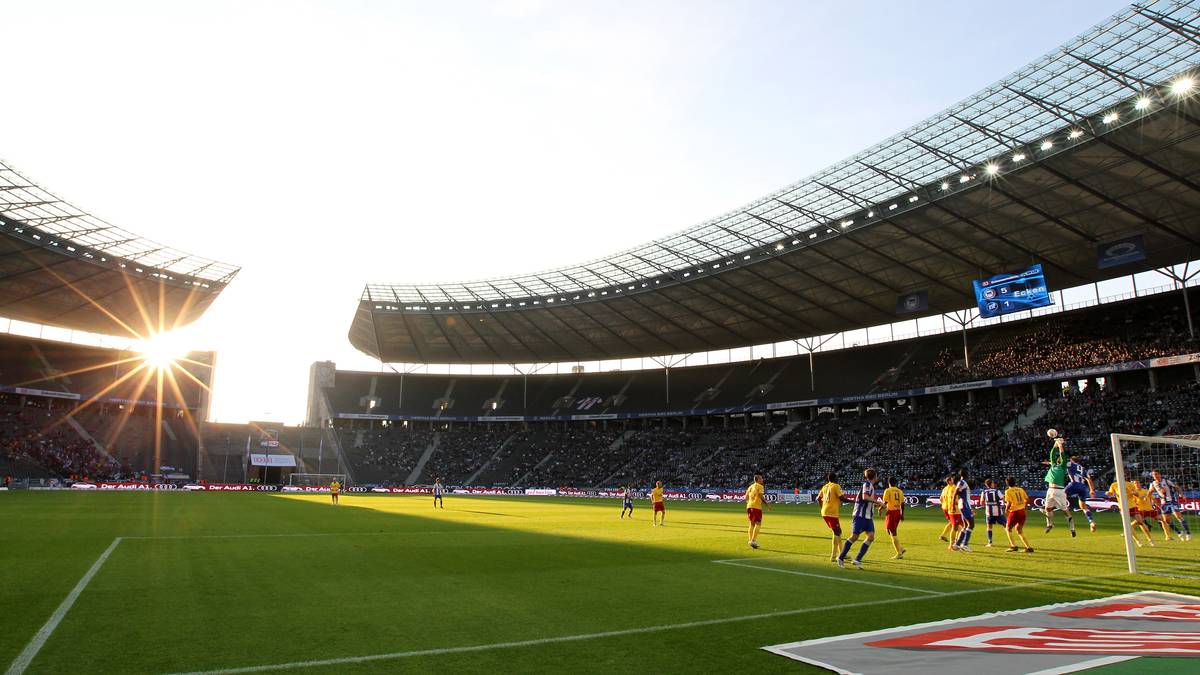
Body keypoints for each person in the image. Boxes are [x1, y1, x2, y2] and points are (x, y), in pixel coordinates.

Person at [836, 468, 881, 569]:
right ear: (875, 476)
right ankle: (840, 557)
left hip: (868, 517)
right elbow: (865, 497)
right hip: (860, 515)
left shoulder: (870, 486)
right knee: (854, 537)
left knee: (871, 536)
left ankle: (857, 559)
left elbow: (866, 500)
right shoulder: (867, 484)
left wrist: (876, 505)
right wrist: (878, 502)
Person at [1041, 435, 1076, 537]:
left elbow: (1062, 455)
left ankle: (1072, 529)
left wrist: (1060, 445)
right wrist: (1055, 444)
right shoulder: (1053, 465)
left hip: (1059, 490)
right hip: (1050, 490)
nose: (1059, 459)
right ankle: (1050, 525)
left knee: (1065, 511)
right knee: (1047, 509)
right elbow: (1052, 453)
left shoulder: (1063, 466)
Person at [1106, 475, 1153, 547]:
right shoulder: (1114, 485)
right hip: (1123, 507)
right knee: (1128, 526)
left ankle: (1150, 539)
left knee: (1140, 522)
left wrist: (1133, 493)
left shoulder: (1130, 484)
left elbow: (1137, 494)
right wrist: (1108, 493)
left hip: (1132, 506)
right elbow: (1110, 493)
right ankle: (1138, 541)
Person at [1150, 469, 1192, 541]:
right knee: (1167, 521)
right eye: (1153, 475)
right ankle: (1179, 533)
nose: (1155, 476)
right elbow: (1150, 492)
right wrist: (1152, 502)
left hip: (1172, 501)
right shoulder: (1153, 484)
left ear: (1159, 474)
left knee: (1178, 516)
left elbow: (1177, 487)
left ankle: (1188, 533)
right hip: (1164, 504)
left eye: (1156, 474)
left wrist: (1182, 494)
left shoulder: (1166, 481)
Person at [817, 472, 847, 563]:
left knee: (838, 531)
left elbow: (818, 498)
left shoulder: (825, 486)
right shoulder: (836, 486)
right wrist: (855, 502)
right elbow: (842, 498)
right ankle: (834, 555)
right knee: (837, 532)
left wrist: (822, 507)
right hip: (832, 513)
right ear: (835, 478)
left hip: (825, 512)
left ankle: (842, 553)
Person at [1065, 456, 1098, 532]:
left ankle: (1049, 509)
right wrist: (1092, 490)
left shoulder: (1070, 464)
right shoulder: (1083, 468)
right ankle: (1091, 522)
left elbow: (1060, 463)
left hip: (1074, 484)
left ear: (1071, 460)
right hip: (1083, 487)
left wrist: (1050, 463)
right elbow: (1089, 479)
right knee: (1083, 506)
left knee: (1059, 494)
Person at [1003, 476, 1034, 553]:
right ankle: (1028, 547)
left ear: (1007, 483)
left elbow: (1009, 503)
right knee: (1019, 530)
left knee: (1008, 528)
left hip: (1014, 512)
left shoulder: (1008, 491)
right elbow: (1027, 499)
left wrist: (1006, 509)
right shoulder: (1020, 489)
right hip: (1022, 511)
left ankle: (1013, 546)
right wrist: (1023, 506)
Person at [881, 476, 905, 560]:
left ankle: (899, 553)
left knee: (892, 532)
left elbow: (885, 502)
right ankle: (901, 548)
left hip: (891, 512)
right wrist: (902, 514)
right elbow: (902, 503)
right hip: (898, 512)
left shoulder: (888, 490)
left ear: (889, 483)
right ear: (896, 483)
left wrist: (880, 508)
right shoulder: (900, 491)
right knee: (889, 530)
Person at [979, 478, 1006, 547]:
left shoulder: (984, 492)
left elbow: (981, 502)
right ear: (991, 484)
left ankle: (990, 542)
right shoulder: (997, 491)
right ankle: (1012, 541)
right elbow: (1004, 499)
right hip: (998, 511)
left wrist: (987, 504)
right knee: (1006, 526)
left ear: (986, 485)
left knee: (989, 527)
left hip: (989, 512)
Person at [953, 469, 975, 552]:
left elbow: (959, 493)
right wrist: (952, 505)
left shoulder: (963, 482)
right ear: (966, 474)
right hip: (964, 506)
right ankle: (964, 544)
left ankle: (957, 544)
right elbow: (955, 492)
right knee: (971, 524)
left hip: (964, 506)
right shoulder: (962, 482)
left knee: (966, 526)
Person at [940, 476, 962, 551]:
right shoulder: (952, 488)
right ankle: (955, 541)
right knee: (955, 525)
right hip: (952, 509)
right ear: (949, 481)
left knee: (954, 524)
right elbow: (954, 500)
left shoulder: (945, 488)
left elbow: (941, 499)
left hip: (946, 507)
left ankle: (953, 539)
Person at [746, 474, 766, 549]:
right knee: (758, 523)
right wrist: (767, 504)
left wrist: (749, 503)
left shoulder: (750, 486)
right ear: (758, 480)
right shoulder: (760, 486)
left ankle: (750, 540)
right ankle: (753, 540)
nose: (762, 479)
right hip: (756, 507)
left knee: (751, 524)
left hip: (749, 506)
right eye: (761, 478)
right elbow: (761, 496)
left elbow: (746, 496)